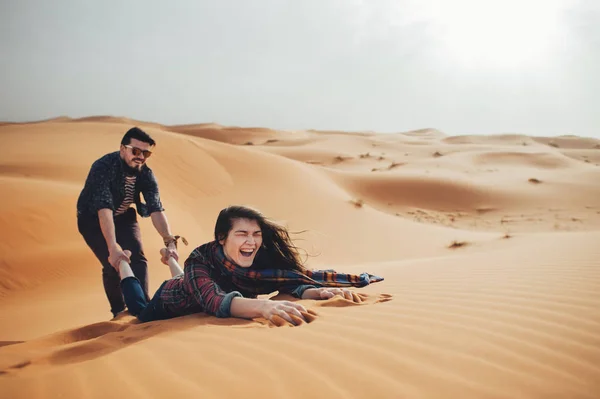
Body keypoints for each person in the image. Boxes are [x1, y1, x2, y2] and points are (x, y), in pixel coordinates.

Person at [116, 205, 384, 326]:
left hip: (189, 284)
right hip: (168, 301)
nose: (251, 241)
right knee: (138, 310)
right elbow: (212, 300)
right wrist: (263, 306)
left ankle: (169, 258)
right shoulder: (199, 259)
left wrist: (317, 291)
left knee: (187, 278)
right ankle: (122, 264)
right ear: (222, 238)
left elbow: (290, 281)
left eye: (256, 234)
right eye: (242, 234)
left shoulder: (256, 261)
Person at [77, 127, 181, 318]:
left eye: (146, 153)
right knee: (112, 263)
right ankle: (118, 312)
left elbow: (155, 209)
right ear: (123, 149)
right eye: (136, 151)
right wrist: (113, 246)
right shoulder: (103, 167)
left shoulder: (146, 174)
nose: (140, 157)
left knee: (138, 258)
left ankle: (143, 308)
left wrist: (169, 241)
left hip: (124, 216)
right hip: (92, 219)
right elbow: (104, 209)